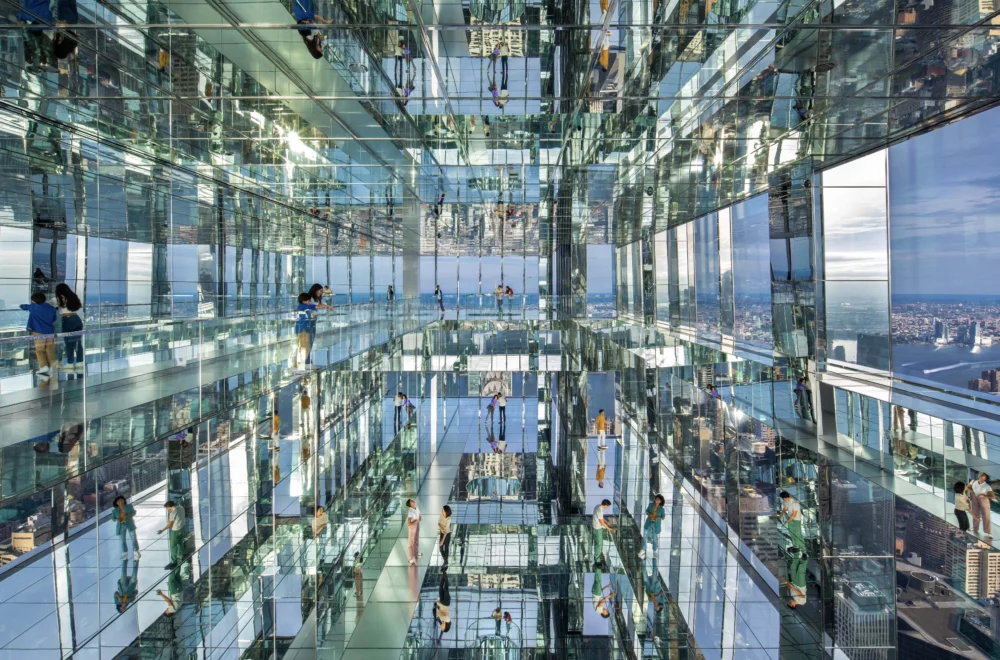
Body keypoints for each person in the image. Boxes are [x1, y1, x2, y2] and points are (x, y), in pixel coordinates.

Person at [21, 292, 57, 378]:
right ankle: (52, 368)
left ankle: (44, 367)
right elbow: (54, 318)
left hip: (38, 332)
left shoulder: (33, 307)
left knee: (40, 350)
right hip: (50, 332)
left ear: (34, 300)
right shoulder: (51, 308)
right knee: (50, 350)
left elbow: (23, 306)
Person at [55, 283, 84, 373]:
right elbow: (79, 306)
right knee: (78, 342)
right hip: (77, 319)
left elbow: (51, 307)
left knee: (69, 343)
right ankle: (80, 362)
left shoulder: (59, 298)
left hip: (67, 319)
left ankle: (70, 363)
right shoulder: (73, 296)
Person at [159, 500, 186, 570]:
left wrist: (162, 530)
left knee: (173, 546)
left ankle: (173, 562)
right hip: (182, 528)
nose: (167, 509)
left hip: (176, 530)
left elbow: (170, 525)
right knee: (180, 542)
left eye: (167, 508)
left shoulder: (173, 512)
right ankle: (180, 555)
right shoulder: (181, 508)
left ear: (169, 507)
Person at [112, 495, 140, 561]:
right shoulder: (114, 511)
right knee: (122, 540)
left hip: (129, 524)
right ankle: (124, 553)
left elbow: (134, 512)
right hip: (121, 525)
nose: (121, 502)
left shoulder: (129, 507)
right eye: (119, 501)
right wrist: (116, 519)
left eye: (122, 500)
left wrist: (128, 515)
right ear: (116, 503)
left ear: (124, 501)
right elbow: (113, 518)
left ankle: (136, 551)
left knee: (133, 538)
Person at [967, 472, 995, 537]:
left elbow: (993, 496)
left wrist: (984, 495)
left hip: (984, 500)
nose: (981, 476)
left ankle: (989, 532)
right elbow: (968, 487)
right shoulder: (973, 481)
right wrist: (971, 493)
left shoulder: (987, 486)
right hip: (974, 498)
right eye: (980, 475)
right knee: (975, 513)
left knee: (986, 515)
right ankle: (975, 528)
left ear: (985, 478)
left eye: (983, 476)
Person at [639, 494, 665, 559]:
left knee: (654, 538)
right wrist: (650, 514)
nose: (656, 500)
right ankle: (643, 551)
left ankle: (654, 551)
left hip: (656, 524)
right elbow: (646, 511)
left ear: (660, 501)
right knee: (645, 536)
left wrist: (658, 518)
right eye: (656, 499)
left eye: (658, 500)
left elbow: (663, 517)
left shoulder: (661, 509)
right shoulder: (651, 505)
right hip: (649, 523)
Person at [295, 292, 315, 369]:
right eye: (308, 300)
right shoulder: (303, 307)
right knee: (304, 347)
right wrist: (326, 305)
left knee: (304, 346)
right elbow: (314, 307)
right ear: (304, 301)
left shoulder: (303, 308)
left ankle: (302, 364)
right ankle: (301, 364)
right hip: (303, 329)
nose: (309, 302)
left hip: (304, 329)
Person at [592, 498, 614, 563]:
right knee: (599, 544)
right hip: (597, 528)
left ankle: (597, 556)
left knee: (597, 543)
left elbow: (601, 518)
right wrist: (610, 529)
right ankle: (597, 560)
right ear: (606, 505)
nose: (608, 508)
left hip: (595, 527)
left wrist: (607, 522)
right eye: (608, 506)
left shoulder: (597, 506)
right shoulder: (600, 510)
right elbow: (602, 523)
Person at [406, 498, 421, 565]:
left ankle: (415, 553)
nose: (413, 500)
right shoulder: (410, 512)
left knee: (416, 540)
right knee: (411, 543)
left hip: (417, 525)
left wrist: (420, 518)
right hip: (412, 527)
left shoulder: (416, 507)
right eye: (411, 501)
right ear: (410, 504)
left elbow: (419, 514)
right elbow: (409, 523)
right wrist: (415, 521)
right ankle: (410, 558)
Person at [438, 505, 452, 569]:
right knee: (440, 548)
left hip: (447, 534)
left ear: (446, 512)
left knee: (446, 548)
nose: (442, 511)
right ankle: (446, 561)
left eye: (443, 510)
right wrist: (442, 527)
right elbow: (438, 523)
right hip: (442, 533)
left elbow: (446, 532)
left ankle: (445, 562)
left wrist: (442, 541)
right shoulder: (441, 515)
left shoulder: (448, 519)